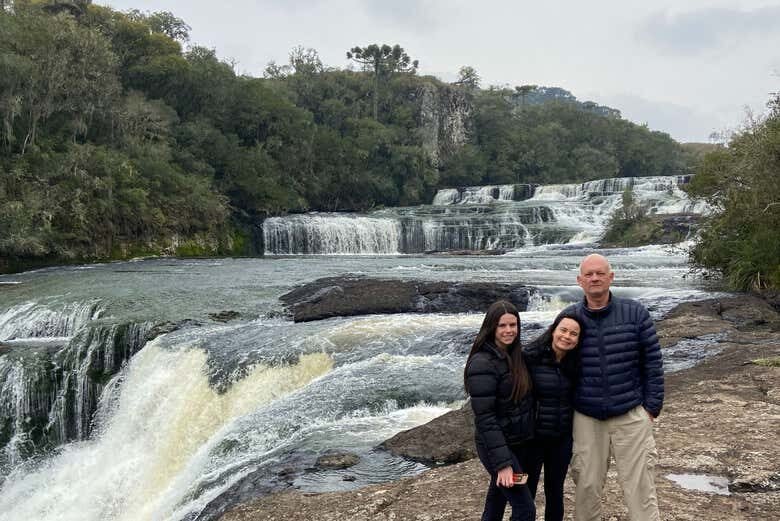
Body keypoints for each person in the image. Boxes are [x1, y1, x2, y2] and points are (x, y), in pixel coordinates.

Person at [564, 253, 664, 521]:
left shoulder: (635, 313)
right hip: (586, 416)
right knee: (585, 486)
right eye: (589, 274)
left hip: (630, 413)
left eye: (599, 273)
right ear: (579, 281)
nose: (594, 278)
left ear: (611, 277)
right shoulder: (570, 318)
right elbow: (551, 359)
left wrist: (651, 408)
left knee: (640, 488)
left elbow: (653, 361)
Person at [464, 300, 536, 521]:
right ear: (491, 328)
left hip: (517, 442)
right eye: (502, 326)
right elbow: (485, 418)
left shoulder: (516, 356)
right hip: (496, 447)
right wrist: (503, 464)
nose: (508, 331)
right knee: (525, 509)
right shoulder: (481, 363)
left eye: (513, 325)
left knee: (496, 501)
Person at [521, 312, 583, 521]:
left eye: (573, 334)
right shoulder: (531, 356)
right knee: (526, 492)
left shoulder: (575, 364)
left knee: (555, 492)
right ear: (553, 330)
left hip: (561, 439)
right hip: (533, 438)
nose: (567, 336)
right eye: (563, 330)